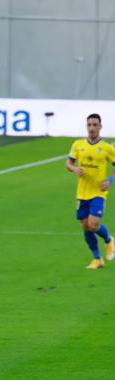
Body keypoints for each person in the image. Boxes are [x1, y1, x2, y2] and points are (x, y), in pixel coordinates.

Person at [66, 113, 115, 268]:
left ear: (100, 126)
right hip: (82, 193)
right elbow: (68, 163)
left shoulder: (107, 148)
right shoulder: (78, 145)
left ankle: (109, 240)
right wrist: (74, 169)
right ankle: (97, 259)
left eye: (95, 125)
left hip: (98, 192)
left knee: (93, 225)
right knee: (85, 227)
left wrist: (110, 180)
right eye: (89, 125)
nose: (92, 128)